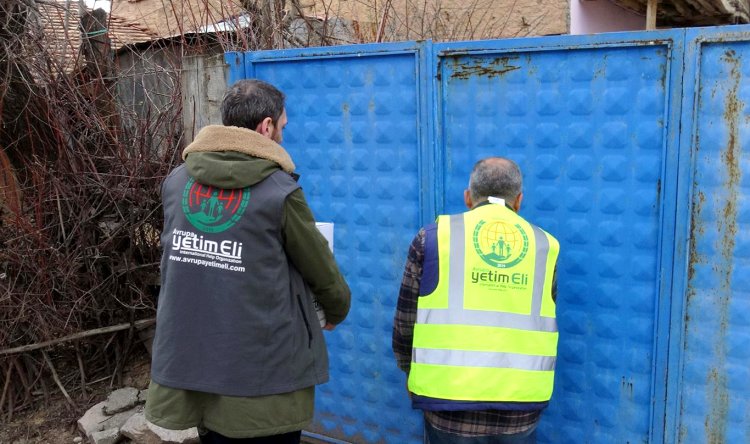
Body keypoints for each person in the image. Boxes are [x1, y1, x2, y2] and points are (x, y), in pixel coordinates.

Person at [145, 79, 351, 444]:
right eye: (283, 128)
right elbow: (320, 269)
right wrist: (335, 309)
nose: (283, 139)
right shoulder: (279, 191)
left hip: (196, 360)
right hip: (263, 371)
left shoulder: (177, 181)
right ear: (266, 127)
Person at [393, 157, 559, 444]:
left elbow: (405, 321)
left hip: (448, 402)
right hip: (520, 404)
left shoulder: (433, 238)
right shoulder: (545, 245)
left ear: (468, 197)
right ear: (519, 200)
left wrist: (410, 371)